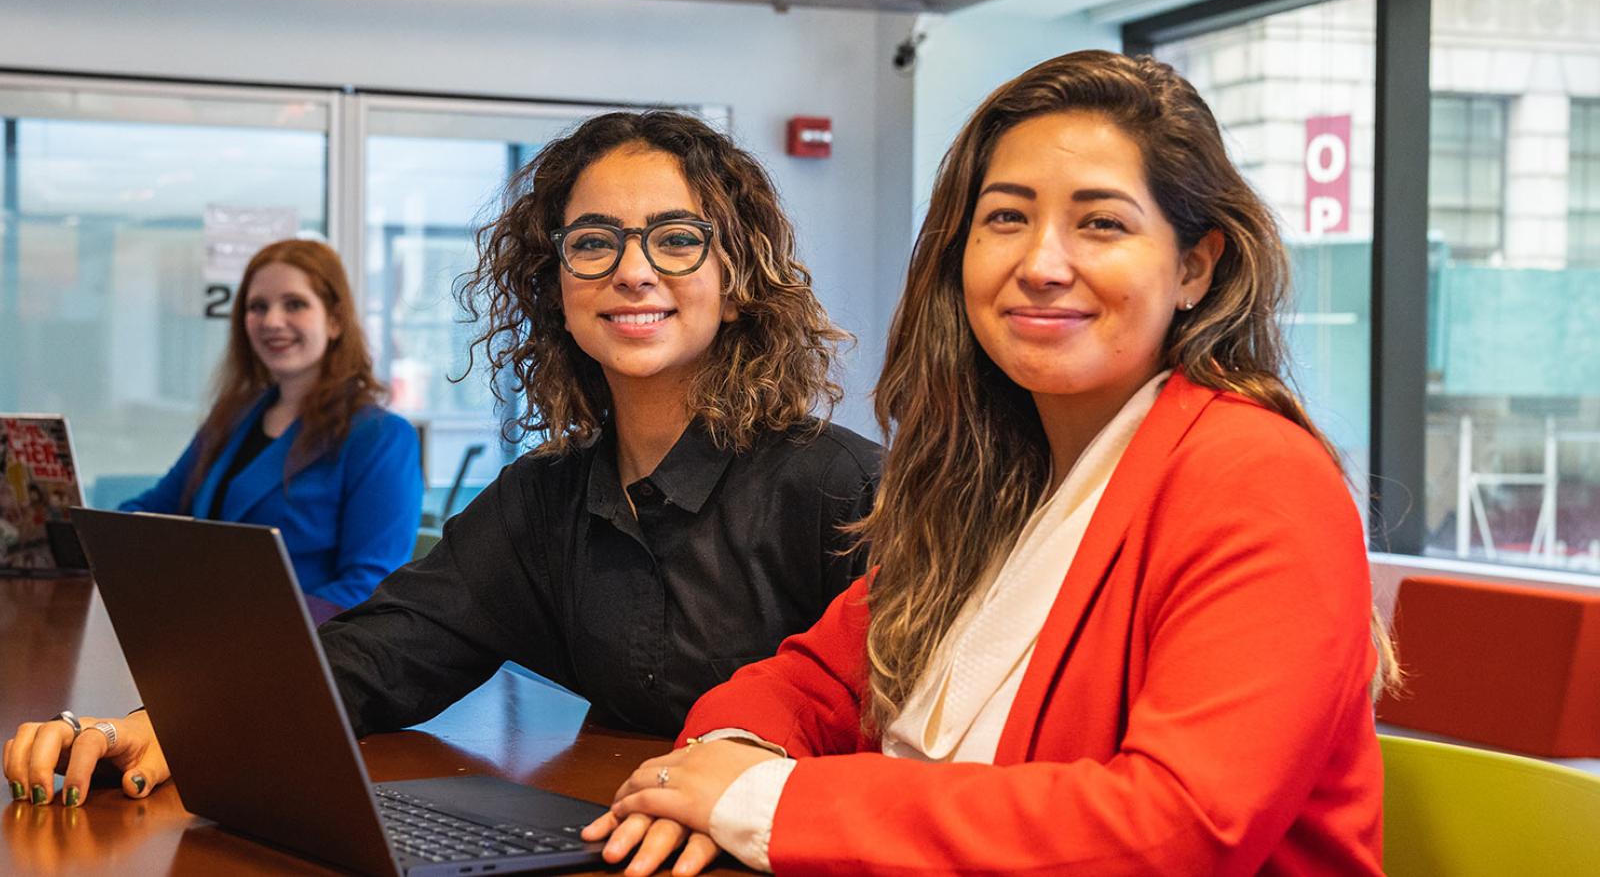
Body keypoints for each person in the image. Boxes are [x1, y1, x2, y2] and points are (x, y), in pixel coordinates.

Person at [587, 50, 1400, 877]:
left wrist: (764, 801)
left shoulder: (1258, 477)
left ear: (1195, 266)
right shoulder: (996, 480)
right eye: (1006, 218)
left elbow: (1173, 830)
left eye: (1102, 223)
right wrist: (727, 756)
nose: (1041, 265)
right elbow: (813, 683)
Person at [5, 111, 879, 809]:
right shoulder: (541, 501)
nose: (633, 271)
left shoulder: (845, 488)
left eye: (678, 238)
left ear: (738, 283)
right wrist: (162, 724)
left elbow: (927, 742)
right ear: (556, 289)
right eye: (593, 241)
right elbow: (380, 652)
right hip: (615, 835)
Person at [117, 238, 423, 623]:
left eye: (294, 304)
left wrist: (253, 620)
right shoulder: (231, 419)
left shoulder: (381, 437)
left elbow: (371, 583)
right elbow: (150, 510)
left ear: (334, 320)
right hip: (198, 636)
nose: (272, 321)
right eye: (257, 307)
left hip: (305, 654)